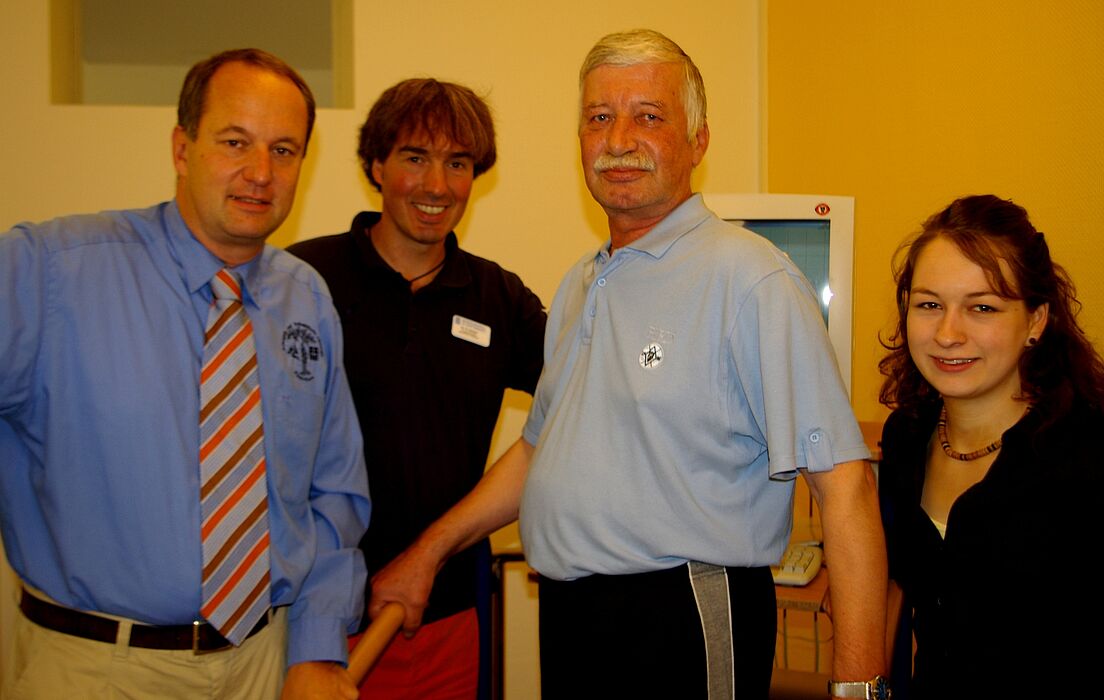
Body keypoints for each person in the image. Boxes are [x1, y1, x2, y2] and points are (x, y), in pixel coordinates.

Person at [364, 29, 889, 699]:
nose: (617, 139)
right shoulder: (583, 283)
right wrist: (429, 551)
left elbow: (845, 487)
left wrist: (858, 690)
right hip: (573, 617)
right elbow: (539, 449)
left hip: (683, 616)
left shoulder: (751, 280)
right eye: (599, 117)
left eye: (648, 116)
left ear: (698, 141)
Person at [0, 49, 370, 699]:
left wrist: (317, 646)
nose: (260, 173)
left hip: (263, 662)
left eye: (284, 150)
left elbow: (333, 493)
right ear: (182, 147)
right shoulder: (48, 272)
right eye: (235, 142)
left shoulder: (306, 299)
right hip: (98, 669)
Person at [287, 78, 545, 698]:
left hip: (447, 613)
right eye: (415, 158)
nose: (437, 186)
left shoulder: (499, 299)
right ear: (376, 165)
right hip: (314, 621)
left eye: (457, 163)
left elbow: (586, 406)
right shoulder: (302, 280)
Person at [878, 194, 1104, 698]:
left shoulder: (1087, 455)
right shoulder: (905, 437)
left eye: (982, 307)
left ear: (1036, 321)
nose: (948, 334)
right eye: (929, 305)